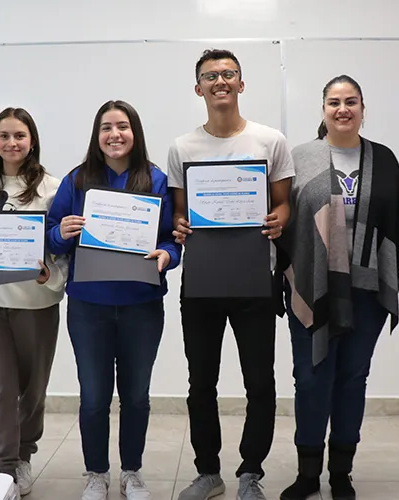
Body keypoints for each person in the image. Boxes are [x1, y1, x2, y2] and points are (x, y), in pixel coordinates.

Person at [277, 75, 399, 500]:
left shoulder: (385, 159)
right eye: (334, 102)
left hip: (366, 292)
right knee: (311, 379)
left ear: (363, 108)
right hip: (312, 289)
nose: (342, 109)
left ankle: (340, 474)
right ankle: (307, 474)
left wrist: (389, 272)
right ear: (322, 110)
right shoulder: (300, 158)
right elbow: (283, 222)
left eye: (350, 101)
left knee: (353, 378)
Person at [170, 48, 294, 500]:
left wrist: (279, 219)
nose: (220, 81)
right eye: (210, 76)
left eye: (228, 74)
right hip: (201, 285)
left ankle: (251, 472)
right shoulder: (182, 147)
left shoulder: (269, 140)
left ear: (241, 84)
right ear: (198, 87)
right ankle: (208, 472)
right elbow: (181, 216)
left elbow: (283, 203)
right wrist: (179, 226)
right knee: (201, 382)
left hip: (253, 281)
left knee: (259, 380)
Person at [46, 100, 180, 500]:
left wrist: (167, 256)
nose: (114, 134)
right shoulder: (77, 180)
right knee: (93, 396)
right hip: (89, 306)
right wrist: (62, 232)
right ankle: (96, 473)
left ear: (134, 133)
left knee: (137, 395)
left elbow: (172, 239)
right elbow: (52, 234)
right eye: (106, 127)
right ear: (96, 135)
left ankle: (132, 472)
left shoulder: (155, 180)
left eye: (122, 126)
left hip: (141, 305)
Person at [0, 107, 68, 497]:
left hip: (36, 302)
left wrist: (49, 276)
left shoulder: (54, 188)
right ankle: (4, 465)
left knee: (32, 389)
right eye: (4, 136)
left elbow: (62, 250)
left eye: (19, 136)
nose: (12, 143)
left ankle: (24, 453)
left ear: (32, 141)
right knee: (0, 387)